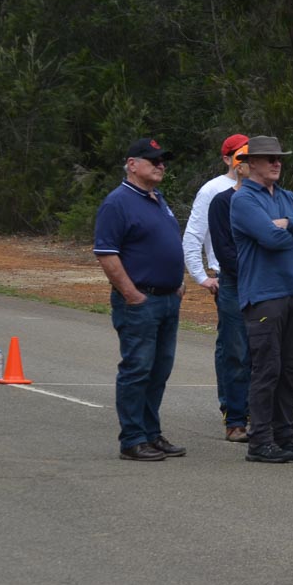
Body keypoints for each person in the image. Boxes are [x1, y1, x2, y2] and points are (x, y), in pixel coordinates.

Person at [230, 135, 293, 465]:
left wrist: (290, 224)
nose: (276, 163)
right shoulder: (243, 201)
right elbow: (270, 238)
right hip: (264, 295)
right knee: (267, 369)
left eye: (279, 158)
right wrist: (290, 233)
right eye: (269, 158)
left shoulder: (287, 197)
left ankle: (285, 435)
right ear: (250, 163)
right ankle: (261, 440)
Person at [93, 138, 187, 461]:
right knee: (137, 368)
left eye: (162, 160)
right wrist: (131, 294)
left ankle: (150, 432)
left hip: (167, 300)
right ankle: (132, 439)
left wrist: (178, 282)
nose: (160, 165)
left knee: (160, 369)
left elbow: (168, 243)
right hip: (140, 302)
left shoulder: (157, 198)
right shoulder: (117, 203)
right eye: (153, 160)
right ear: (132, 164)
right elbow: (106, 253)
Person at [182, 133, 247, 430]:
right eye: (239, 154)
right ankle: (232, 409)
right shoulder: (213, 190)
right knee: (232, 346)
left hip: (260, 279)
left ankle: (253, 408)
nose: (244, 159)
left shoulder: (260, 187)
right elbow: (194, 234)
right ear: (226, 158)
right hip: (227, 277)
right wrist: (201, 276)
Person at [206, 143, 252, 442]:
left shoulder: (275, 201)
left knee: (270, 356)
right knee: (236, 352)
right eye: (244, 160)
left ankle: (266, 417)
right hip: (236, 285)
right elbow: (224, 251)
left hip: (269, 288)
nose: (249, 164)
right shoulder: (222, 201)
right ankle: (235, 419)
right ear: (236, 166)